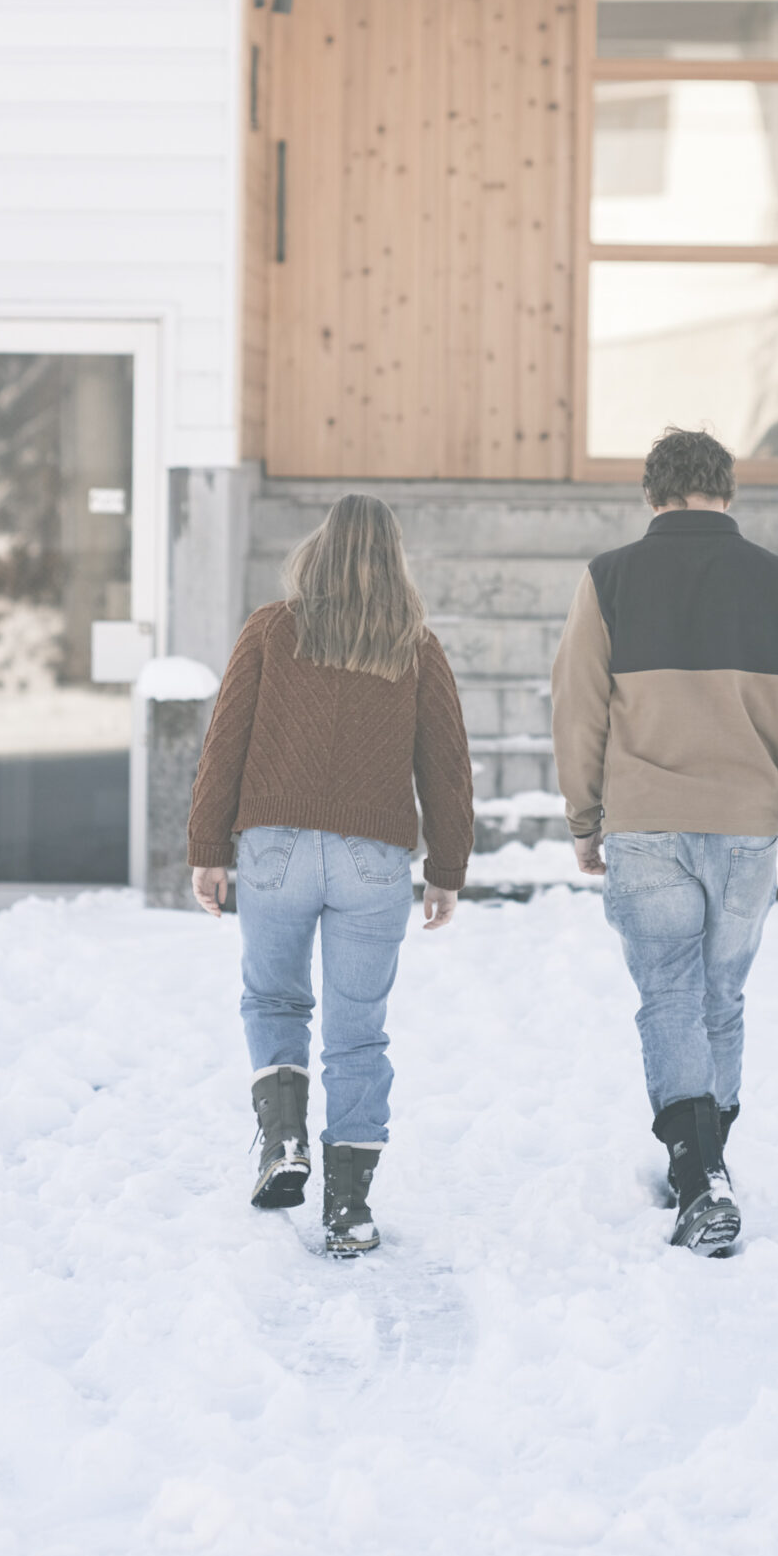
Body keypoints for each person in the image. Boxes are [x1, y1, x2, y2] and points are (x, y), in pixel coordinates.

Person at [550, 427, 778, 1256]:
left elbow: (577, 707)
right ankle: (708, 1163)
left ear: (652, 494)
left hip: (645, 822)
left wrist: (585, 816)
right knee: (721, 998)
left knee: (670, 997)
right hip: (747, 829)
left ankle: (697, 1168)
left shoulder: (609, 578)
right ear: (728, 490)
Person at [188, 493, 473, 1257]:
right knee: (357, 1034)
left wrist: (208, 847)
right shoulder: (415, 648)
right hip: (370, 858)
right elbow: (446, 768)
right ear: (393, 560)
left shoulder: (271, 630)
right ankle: (349, 1209)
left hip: (275, 848)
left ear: (318, 550)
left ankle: (284, 1142)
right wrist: (446, 869)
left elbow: (225, 742)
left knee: (274, 998)